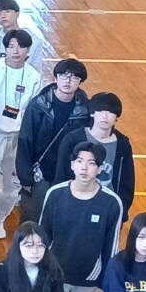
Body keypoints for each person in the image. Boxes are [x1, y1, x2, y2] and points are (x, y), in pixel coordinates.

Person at [39, 140, 124, 292]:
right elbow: (42, 237)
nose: (84, 168)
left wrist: (104, 285)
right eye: (79, 161)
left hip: (89, 279)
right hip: (55, 275)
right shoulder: (55, 194)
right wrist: (40, 273)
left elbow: (111, 248)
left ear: (100, 168)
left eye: (91, 163)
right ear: (72, 165)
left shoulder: (111, 203)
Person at [0, 29, 44, 240]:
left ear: (28, 50)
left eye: (21, 47)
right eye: (11, 46)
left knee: (13, 185)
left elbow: (33, 110)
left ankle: (0, 219)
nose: (16, 51)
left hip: (16, 138)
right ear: (5, 48)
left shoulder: (33, 77)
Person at [15, 58, 90, 226]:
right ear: (55, 78)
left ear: (80, 82)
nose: (68, 81)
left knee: (63, 221)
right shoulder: (38, 105)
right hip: (41, 174)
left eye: (74, 77)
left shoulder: (85, 110)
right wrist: (25, 177)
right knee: (32, 220)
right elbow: (26, 140)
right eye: (63, 76)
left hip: (69, 175)